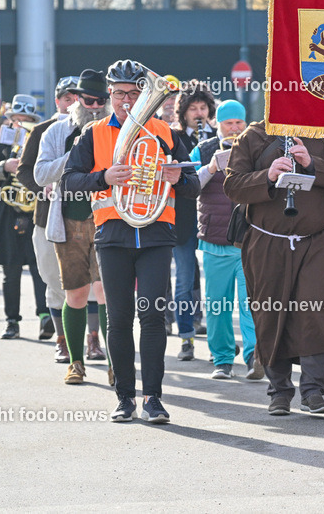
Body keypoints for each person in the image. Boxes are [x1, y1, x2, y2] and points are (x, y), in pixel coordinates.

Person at [62, 59, 200, 424]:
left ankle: (154, 397)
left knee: (153, 318)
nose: (127, 100)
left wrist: (176, 179)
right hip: (113, 236)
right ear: (110, 93)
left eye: (135, 93)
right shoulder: (93, 134)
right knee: (119, 320)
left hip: (156, 235)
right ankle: (125, 398)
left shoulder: (166, 133)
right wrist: (103, 176)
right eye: (120, 93)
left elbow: (193, 185)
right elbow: (68, 181)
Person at [223, 123, 324, 416]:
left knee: (317, 313)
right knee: (270, 314)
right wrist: (267, 175)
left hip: (315, 241)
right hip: (267, 242)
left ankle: (313, 391)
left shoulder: (323, 133)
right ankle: (279, 391)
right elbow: (232, 185)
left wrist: (311, 163)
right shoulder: (251, 137)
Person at [36, 70, 115, 384]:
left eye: (100, 101)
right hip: (69, 223)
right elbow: (41, 174)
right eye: (88, 100)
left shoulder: (116, 130)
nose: (94, 106)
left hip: (108, 219)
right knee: (76, 295)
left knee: (107, 292)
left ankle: (115, 363)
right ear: (76, 100)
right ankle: (76, 362)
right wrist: (75, 156)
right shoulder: (56, 132)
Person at [190, 99, 263, 380]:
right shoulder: (204, 148)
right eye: (228, 123)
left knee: (250, 304)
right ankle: (222, 359)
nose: (234, 128)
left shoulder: (253, 146)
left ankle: (254, 357)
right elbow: (189, 185)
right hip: (214, 241)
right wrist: (210, 168)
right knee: (218, 304)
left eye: (239, 123)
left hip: (248, 240)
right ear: (216, 124)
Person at [17, 78, 81, 351]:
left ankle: (90, 340)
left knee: (86, 282)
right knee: (53, 278)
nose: (72, 104)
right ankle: (61, 338)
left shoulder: (92, 129)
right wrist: (40, 187)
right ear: (57, 102)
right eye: (66, 99)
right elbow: (24, 170)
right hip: (46, 218)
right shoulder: (42, 130)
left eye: (77, 98)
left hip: (82, 217)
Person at [0, 94, 49, 340]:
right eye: (16, 120)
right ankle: (12, 321)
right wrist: (5, 166)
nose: (20, 125)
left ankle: (45, 317)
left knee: (40, 268)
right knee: (10, 272)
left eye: (26, 120)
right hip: (7, 213)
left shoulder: (42, 142)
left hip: (35, 214)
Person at [171, 82, 215, 361]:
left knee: (216, 284)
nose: (198, 113)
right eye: (192, 109)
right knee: (184, 279)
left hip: (214, 219)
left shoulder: (222, 135)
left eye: (203, 108)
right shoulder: (175, 137)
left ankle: (218, 344)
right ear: (183, 113)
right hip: (184, 219)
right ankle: (186, 337)